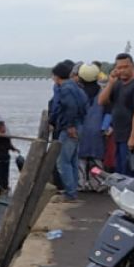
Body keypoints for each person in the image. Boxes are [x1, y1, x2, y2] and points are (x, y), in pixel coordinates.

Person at [99, 52, 134, 176]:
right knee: (119, 170)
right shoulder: (117, 84)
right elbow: (101, 101)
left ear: (132, 66)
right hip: (118, 134)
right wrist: (110, 82)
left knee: (129, 172)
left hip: (130, 136)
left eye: (125, 67)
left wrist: (133, 137)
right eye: (119, 67)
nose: (122, 70)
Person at [49, 59, 89, 201]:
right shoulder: (76, 87)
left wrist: (70, 125)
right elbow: (84, 106)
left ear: (56, 76)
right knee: (72, 160)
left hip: (69, 127)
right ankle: (72, 189)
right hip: (79, 125)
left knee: (62, 161)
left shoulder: (65, 88)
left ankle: (70, 193)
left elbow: (70, 108)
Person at [75, 63, 108, 182]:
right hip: (97, 129)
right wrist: (105, 127)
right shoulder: (103, 92)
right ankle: (98, 183)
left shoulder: (78, 92)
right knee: (97, 158)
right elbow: (109, 111)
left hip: (81, 129)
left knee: (80, 159)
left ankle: (81, 183)